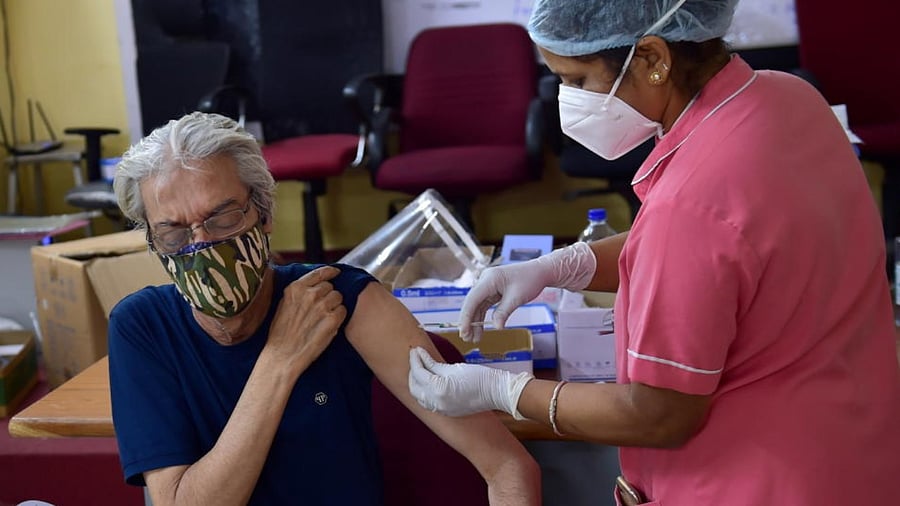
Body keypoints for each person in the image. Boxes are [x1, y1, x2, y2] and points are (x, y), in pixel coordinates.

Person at [408, 0, 900, 504]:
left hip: (756, 482)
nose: (568, 100)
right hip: (852, 450)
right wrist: (560, 266)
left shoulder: (692, 203)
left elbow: (657, 413)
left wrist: (503, 392)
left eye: (576, 81)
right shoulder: (787, 98)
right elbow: (730, 247)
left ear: (652, 59)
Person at [108, 111, 540, 506]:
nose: (201, 246)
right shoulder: (143, 327)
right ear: (152, 242)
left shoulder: (340, 301)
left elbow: (508, 468)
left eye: (222, 219)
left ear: (265, 213)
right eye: (173, 233)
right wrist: (279, 359)